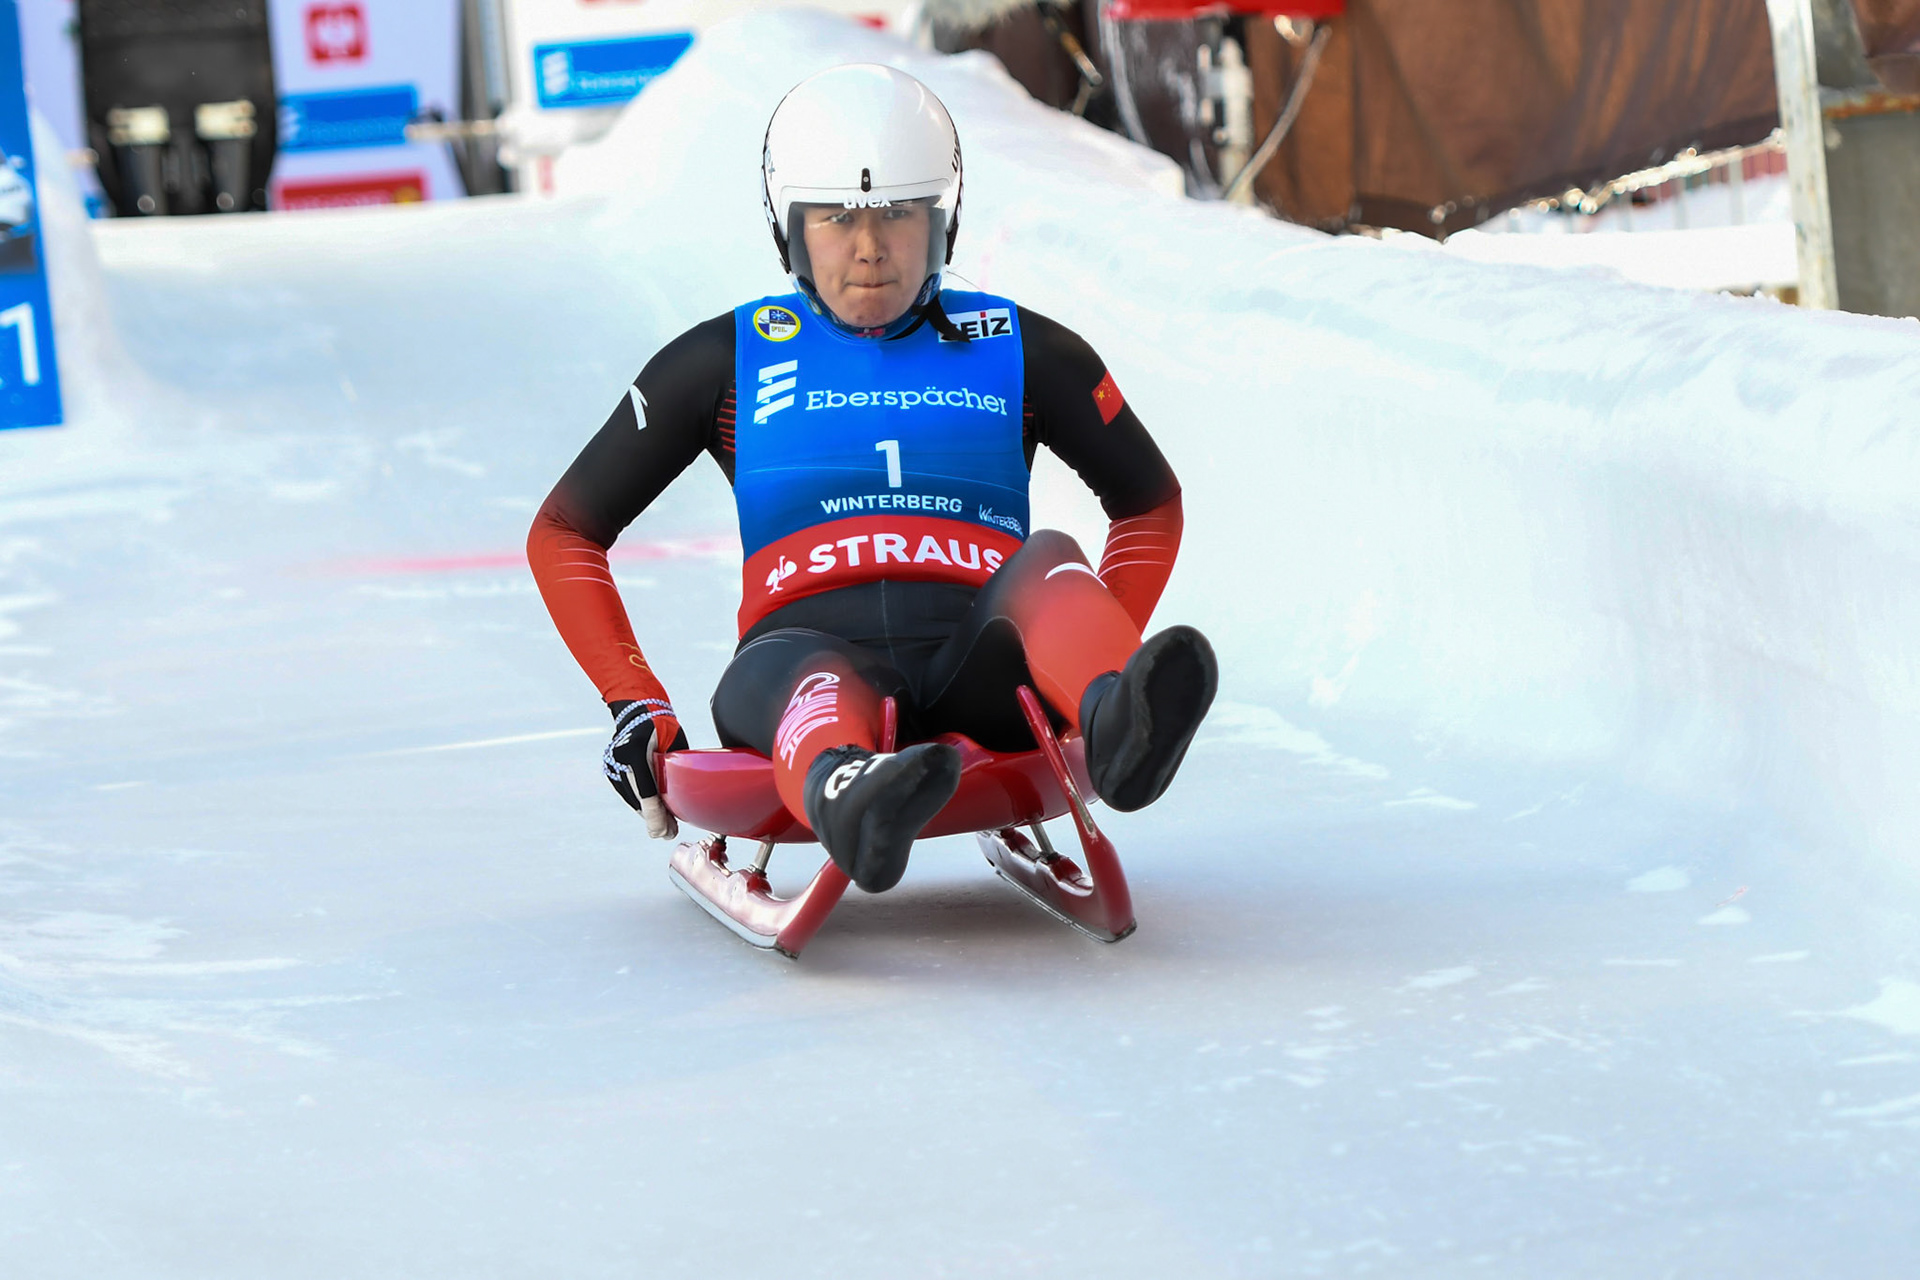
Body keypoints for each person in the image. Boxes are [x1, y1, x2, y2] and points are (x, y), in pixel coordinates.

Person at [529, 64, 1216, 895]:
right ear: (788, 227)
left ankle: (1120, 722)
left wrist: (1079, 675)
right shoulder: (722, 360)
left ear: (945, 221)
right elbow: (566, 530)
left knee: (1048, 561)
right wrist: (635, 701)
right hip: (803, 655)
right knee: (814, 681)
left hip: (981, 661)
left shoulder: (1023, 347)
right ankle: (852, 794)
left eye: (898, 214)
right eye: (834, 218)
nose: (868, 247)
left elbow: (1148, 501)